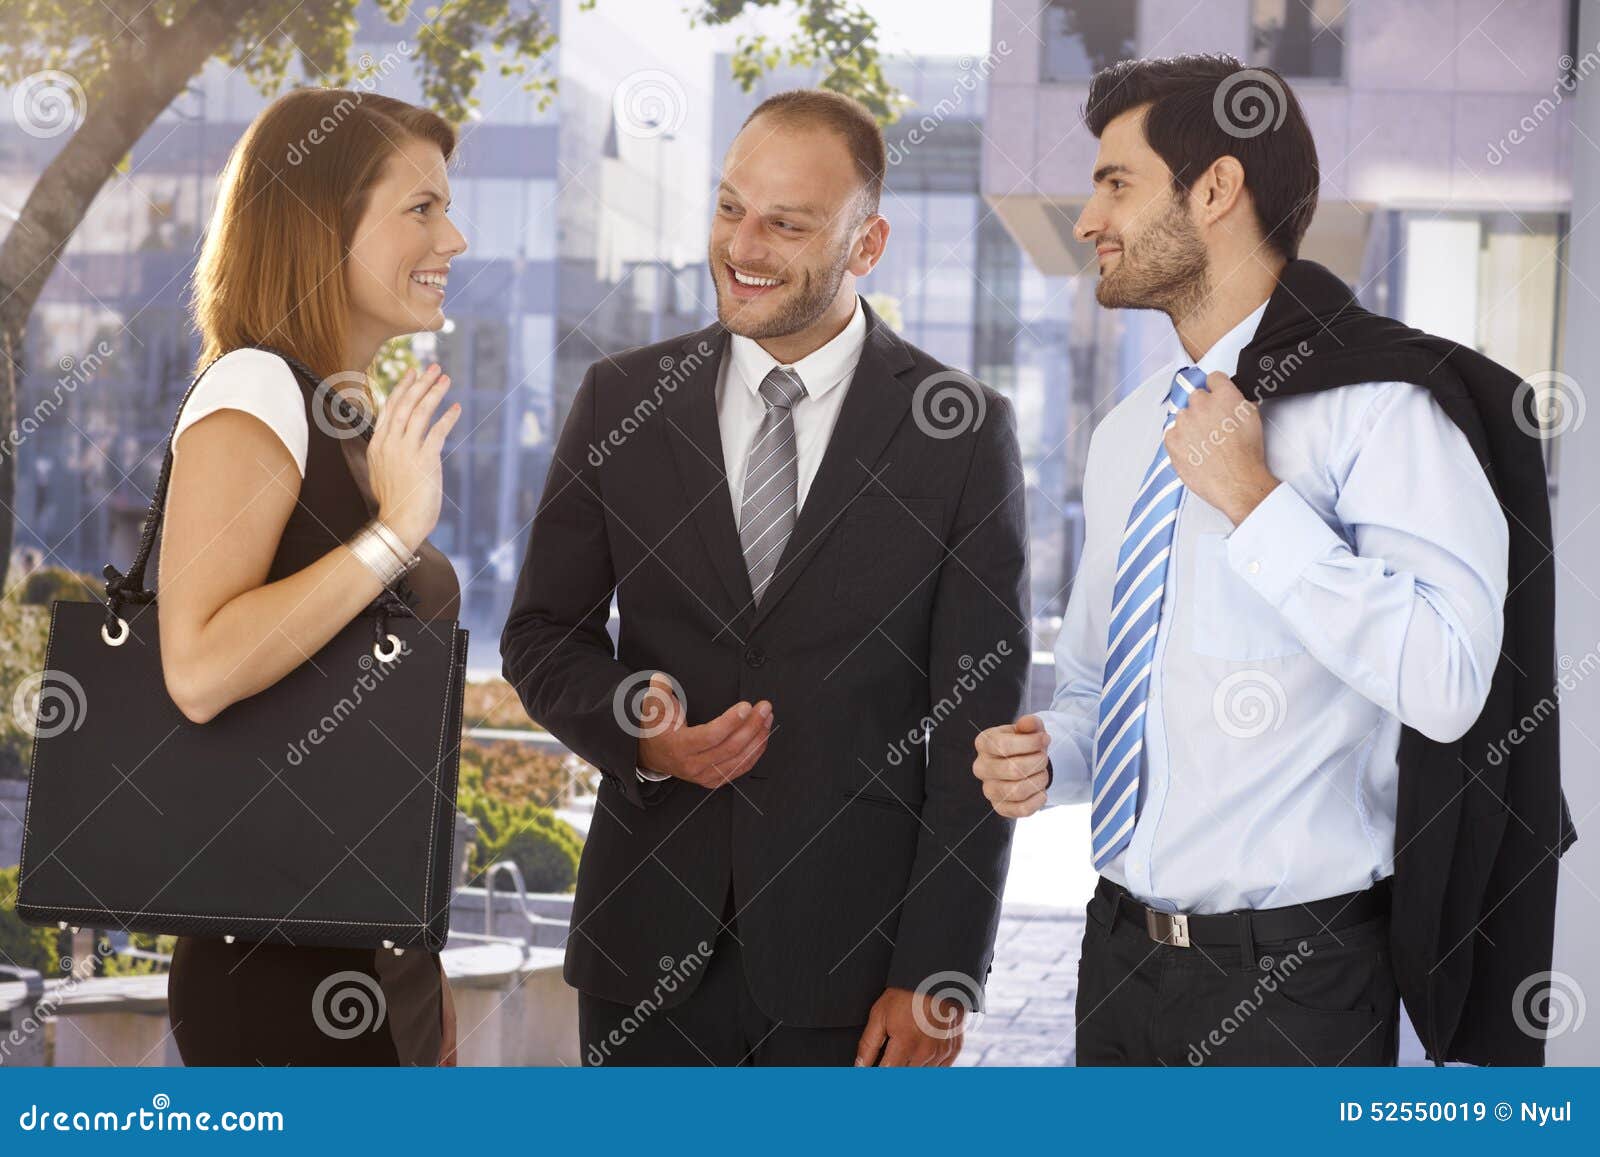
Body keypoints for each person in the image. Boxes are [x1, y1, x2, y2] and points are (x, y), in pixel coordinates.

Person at [975, 54, 1569, 1066]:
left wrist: (1255, 502)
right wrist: (1051, 754)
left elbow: (1449, 682)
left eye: (1115, 182)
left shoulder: (1384, 408)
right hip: (1117, 964)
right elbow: (1091, 685)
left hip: (1294, 987)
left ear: (1213, 189)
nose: (1086, 219)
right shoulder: (1128, 435)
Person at [502, 88, 1030, 1066]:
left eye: (784, 224)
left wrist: (939, 968)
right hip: (642, 954)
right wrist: (638, 728)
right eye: (728, 206)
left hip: (859, 969)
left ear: (865, 245)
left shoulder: (957, 431)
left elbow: (977, 719)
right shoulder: (622, 398)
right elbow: (540, 633)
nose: (741, 245)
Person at [160, 88, 466, 1065]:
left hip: (374, 961)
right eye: (420, 208)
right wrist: (397, 531)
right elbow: (199, 665)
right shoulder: (256, 388)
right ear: (318, 223)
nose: (452, 239)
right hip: (278, 980)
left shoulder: (345, 414)